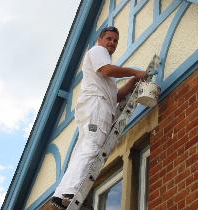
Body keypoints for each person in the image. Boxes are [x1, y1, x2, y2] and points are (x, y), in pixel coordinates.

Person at [50, 26, 147, 210]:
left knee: (83, 150)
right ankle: (71, 191)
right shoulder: (97, 52)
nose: (112, 43)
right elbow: (107, 70)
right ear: (100, 40)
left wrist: (133, 81)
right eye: (109, 39)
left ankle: (61, 194)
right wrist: (135, 72)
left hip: (97, 107)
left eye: (115, 41)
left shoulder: (104, 72)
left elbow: (116, 97)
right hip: (96, 106)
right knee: (92, 147)